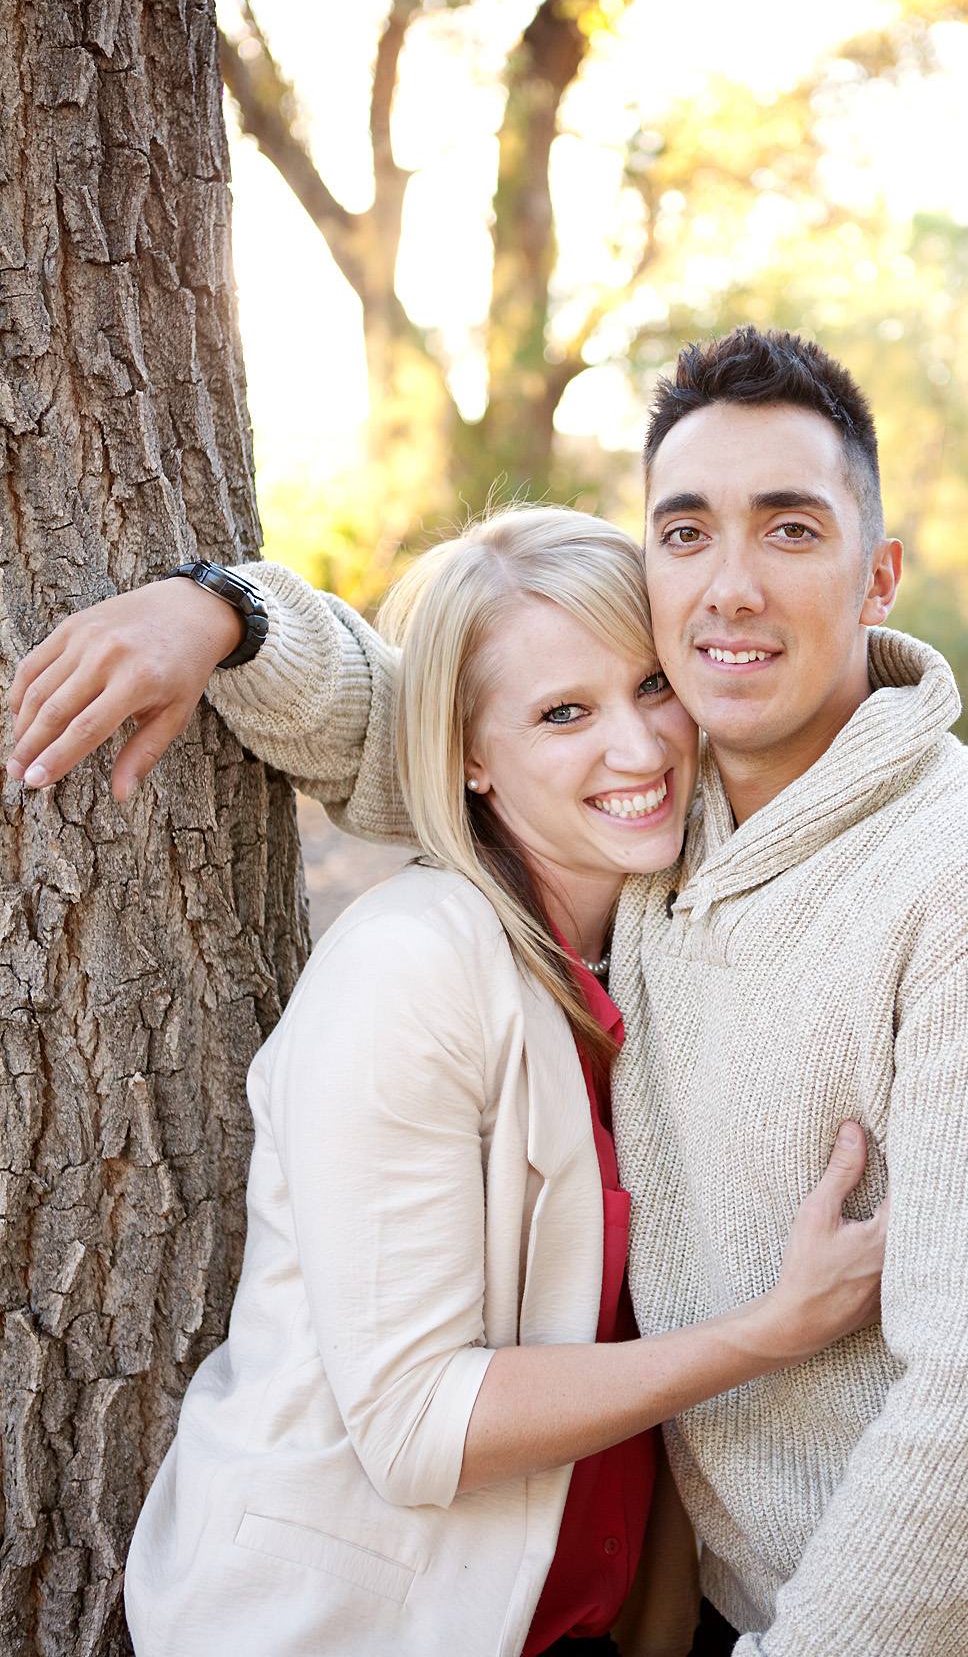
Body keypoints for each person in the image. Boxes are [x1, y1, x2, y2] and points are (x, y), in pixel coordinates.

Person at [8, 327, 968, 1657]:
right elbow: (426, 721)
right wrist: (221, 611)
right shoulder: (675, 814)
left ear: (878, 575)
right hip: (753, 1601)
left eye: (792, 529)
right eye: (688, 533)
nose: (732, 587)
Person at [109, 506, 887, 1657]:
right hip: (348, 1627)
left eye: (653, 686)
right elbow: (417, 1427)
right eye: (564, 714)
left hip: (586, 1620)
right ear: (471, 756)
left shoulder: (664, 942)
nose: (640, 749)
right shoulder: (409, 970)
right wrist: (774, 1332)